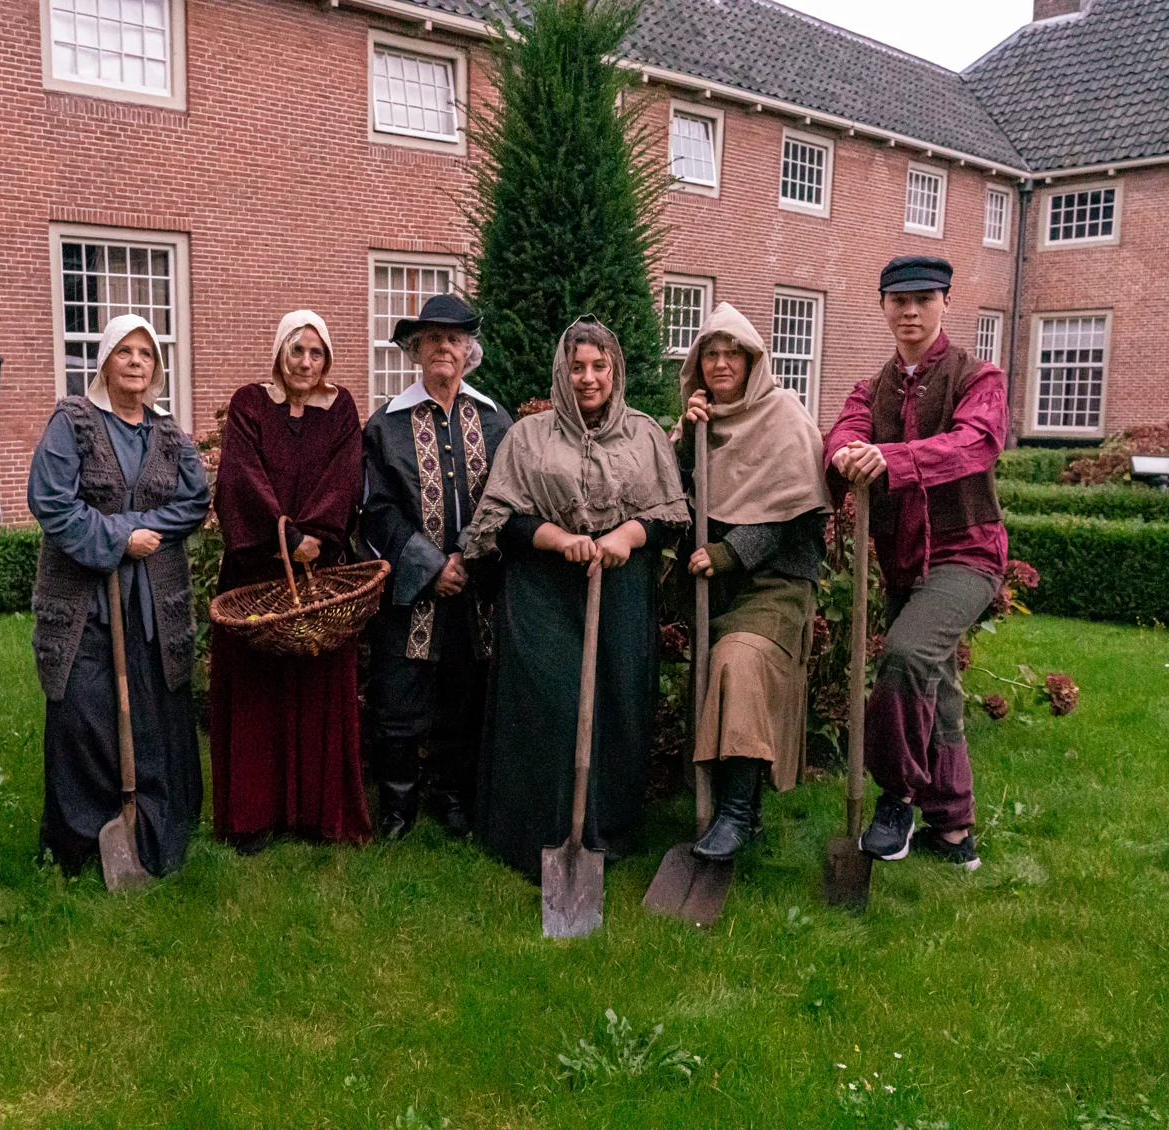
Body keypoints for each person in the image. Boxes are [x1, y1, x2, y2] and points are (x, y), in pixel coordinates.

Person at [461, 317, 688, 880]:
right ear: (562, 372)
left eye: (599, 366)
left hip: (619, 590)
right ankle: (534, 833)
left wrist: (624, 537)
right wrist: (560, 539)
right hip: (542, 590)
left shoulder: (645, 435)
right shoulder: (528, 436)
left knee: (615, 704)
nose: (588, 378)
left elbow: (666, 518)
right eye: (577, 367)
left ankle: (604, 831)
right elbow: (502, 521)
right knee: (551, 707)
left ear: (615, 370)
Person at [824, 255, 1007, 872]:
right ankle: (955, 831)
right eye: (898, 300)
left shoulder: (979, 377)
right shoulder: (867, 389)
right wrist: (848, 455)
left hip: (967, 555)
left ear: (945, 304)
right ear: (882, 306)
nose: (910, 310)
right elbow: (843, 436)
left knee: (906, 653)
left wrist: (890, 459)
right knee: (937, 684)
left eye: (924, 299)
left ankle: (896, 797)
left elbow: (974, 444)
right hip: (902, 559)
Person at [28, 313, 211, 877]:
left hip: (154, 601)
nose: (136, 363)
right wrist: (118, 537)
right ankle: (82, 844)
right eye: (125, 352)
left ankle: (153, 833)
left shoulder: (168, 432)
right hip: (86, 600)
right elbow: (51, 500)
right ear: (104, 362)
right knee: (84, 712)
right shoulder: (73, 421)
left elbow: (194, 499)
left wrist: (141, 528)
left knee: (154, 712)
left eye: (146, 354)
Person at [208, 310, 372, 850]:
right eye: (296, 350)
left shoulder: (341, 407)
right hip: (257, 567)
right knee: (257, 693)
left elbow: (345, 475)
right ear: (279, 352)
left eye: (316, 352)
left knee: (319, 688)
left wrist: (316, 534)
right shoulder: (250, 403)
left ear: (327, 359)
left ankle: (317, 814)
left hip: (319, 570)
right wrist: (283, 534)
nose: (305, 362)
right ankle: (254, 817)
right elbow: (240, 476)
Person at [676, 303, 833, 862]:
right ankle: (746, 814)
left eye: (732, 353)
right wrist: (684, 439)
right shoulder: (700, 421)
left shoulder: (784, 414)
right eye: (710, 354)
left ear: (751, 360)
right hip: (716, 588)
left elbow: (801, 516)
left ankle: (736, 815)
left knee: (738, 662)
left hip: (777, 584)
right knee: (716, 679)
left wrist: (730, 552)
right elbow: (678, 499)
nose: (721, 363)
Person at [357, 293, 513, 840]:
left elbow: (507, 496)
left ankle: (453, 798)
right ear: (415, 352)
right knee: (398, 696)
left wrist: (467, 559)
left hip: (477, 590)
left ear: (469, 350)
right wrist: (429, 565)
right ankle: (398, 807)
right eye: (432, 339)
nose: (443, 347)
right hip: (410, 590)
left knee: (465, 696)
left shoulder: (495, 421)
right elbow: (376, 508)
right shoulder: (385, 427)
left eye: (454, 338)